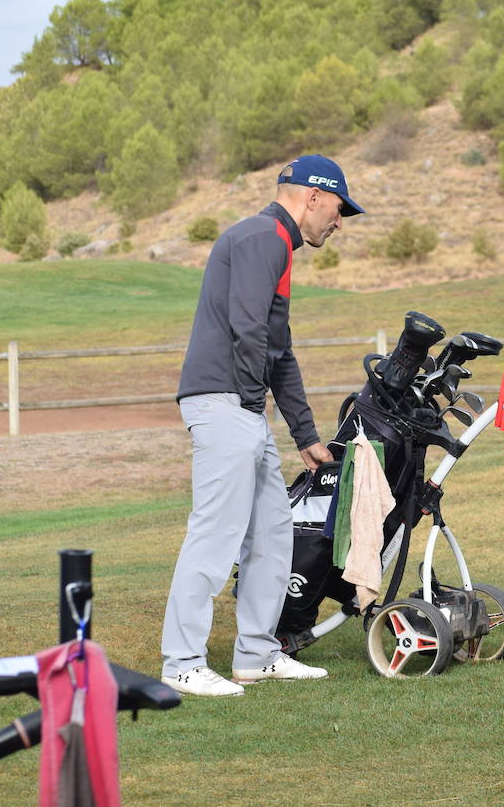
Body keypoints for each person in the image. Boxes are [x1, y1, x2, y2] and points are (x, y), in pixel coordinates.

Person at [162, 154, 364, 696]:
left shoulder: (276, 245)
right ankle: (182, 662)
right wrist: (254, 406)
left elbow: (281, 352)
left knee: (273, 536)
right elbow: (248, 332)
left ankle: (256, 655)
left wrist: (306, 436)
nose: (339, 222)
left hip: (241, 406)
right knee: (216, 533)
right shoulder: (262, 238)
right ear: (314, 196)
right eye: (340, 209)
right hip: (226, 403)